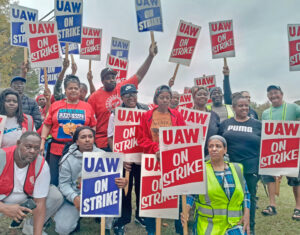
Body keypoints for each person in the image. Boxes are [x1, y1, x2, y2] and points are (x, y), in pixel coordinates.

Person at [54, 126, 127, 235]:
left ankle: (106, 226)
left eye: (90, 136)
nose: (87, 140)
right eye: (83, 137)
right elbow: (63, 185)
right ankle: (76, 218)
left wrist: (122, 182)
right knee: (62, 229)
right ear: (77, 141)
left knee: (113, 198)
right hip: (76, 197)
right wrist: (74, 197)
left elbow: (112, 182)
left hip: (98, 196)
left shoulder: (105, 155)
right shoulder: (67, 159)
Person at [88, 43, 158, 151]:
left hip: (125, 140)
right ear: (102, 81)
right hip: (103, 143)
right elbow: (90, 121)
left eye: (113, 77)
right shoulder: (94, 97)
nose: (112, 79)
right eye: (108, 78)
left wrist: (150, 56)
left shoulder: (122, 87)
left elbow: (139, 75)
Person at [138, 85, 185, 235]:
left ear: (171, 99)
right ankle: (151, 229)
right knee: (152, 196)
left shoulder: (177, 115)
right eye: (162, 97)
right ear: (156, 99)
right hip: (153, 161)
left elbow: (183, 136)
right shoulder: (147, 116)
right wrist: (156, 149)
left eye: (167, 97)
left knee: (176, 195)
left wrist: (169, 150)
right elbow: (141, 139)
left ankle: (180, 229)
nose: (165, 100)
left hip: (173, 161)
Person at [182, 135, 250, 235]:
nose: (214, 149)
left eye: (218, 146)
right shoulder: (200, 170)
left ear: (225, 149)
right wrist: (186, 210)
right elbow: (191, 194)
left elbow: (246, 193)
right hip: (207, 227)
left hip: (234, 226)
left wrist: (246, 214)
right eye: (210, 146)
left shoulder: (237, 169)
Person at [0, 131, 63, 235]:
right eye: (28, 147)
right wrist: (4, 208)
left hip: (26, 201)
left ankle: (29, 226)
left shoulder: (41, 163)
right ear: (18, 143)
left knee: (55, 196)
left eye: (36, 148)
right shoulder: (1, 157)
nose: (32, 151)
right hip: (2, 201)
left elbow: (40, 203)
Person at [40, 75, 97, 186]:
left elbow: (93, 126)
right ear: (65, 90)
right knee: (55, 180)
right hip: (56, 150)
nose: (73, 90)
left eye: (76, 88)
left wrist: (90, 142)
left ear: (80, 90)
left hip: (79, 151)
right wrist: (42, 142)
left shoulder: (87, 106)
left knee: (77, 181)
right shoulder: (55, 105)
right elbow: (47, 125)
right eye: (70, 88)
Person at [107, 84, 148, 234]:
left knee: (142, 189)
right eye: (127, 95)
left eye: (134, 94)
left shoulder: (145, 110)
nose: (131, 97)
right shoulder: (115, 113)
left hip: (142, 158)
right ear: (122, 98)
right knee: (125, 191)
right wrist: (120, 157)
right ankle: (123, 219)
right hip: (125, 160)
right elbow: (110, 137)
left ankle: (140, 215)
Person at [219, 93, 261, 234]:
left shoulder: (258, 125)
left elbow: (266, 146)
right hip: (229, 168)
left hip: (250, 169)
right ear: (234, 107)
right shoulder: (226, 123)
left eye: (246, 106)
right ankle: (232, 227)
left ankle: (250, 229)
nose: (244, 108)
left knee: (249, 200)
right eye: (241, 106)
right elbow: (219, 142)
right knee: (230, 198)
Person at [260, 85, 300, 220]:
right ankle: (272, 205)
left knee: (296, 179)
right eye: (270, 93)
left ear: (281, 94)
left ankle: (298, 208)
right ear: (268, 96)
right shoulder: (266, 113)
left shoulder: (293, 108)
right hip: (272, 149)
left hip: (291, 148)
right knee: (269, 177)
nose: (273, 96)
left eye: (276, 93)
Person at [191, 86, 220, 156]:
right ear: (194, 97)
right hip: (192, 154)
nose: (202, 96)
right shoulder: (187, 115)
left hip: (211, 154)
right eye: (199, 94)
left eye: (205, 94)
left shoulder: (214, 115)